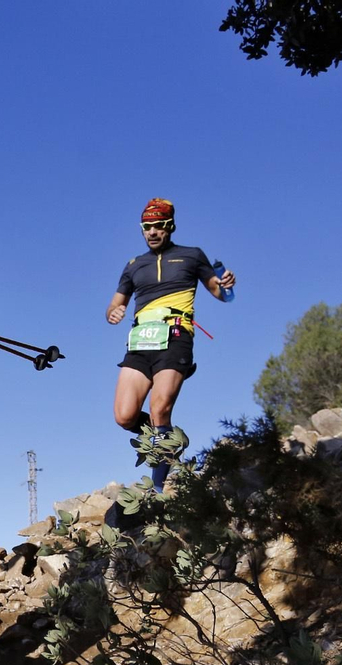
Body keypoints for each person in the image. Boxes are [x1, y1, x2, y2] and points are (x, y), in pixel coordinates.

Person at [104, 198, 234, 489]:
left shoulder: (192, 255)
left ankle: (159, 488)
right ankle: (169, 439)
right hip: (140, 342)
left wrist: (226, 286)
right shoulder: (134, 265)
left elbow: (220, 293)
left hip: (175, 337)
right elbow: (115, 303)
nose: (152, 232)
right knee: (124, 416)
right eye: (147, 227)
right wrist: (114, 312)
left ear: (170, 226)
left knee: (160, 407)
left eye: (158, 226)